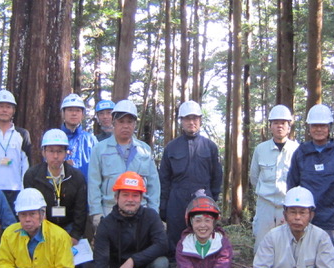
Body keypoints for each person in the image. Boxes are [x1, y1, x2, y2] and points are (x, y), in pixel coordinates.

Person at [89, 172, 169, 268]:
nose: (130, 200)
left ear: (141, 198)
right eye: (125, 195)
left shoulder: (151, 217)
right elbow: (100, 262)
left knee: (161, 263)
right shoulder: (106, 225)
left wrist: (132, 261)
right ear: (116, 197)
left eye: (135, 195)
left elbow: (162, 245)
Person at [253, 186, 334, 268]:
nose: (297, 217)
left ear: (311, 215)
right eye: (293, 212)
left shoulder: (321, 237)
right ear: (285, 214)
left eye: (302, 212)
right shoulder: (272, 237)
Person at [23, 129, 89, 268]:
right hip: (42, 227)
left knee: (73, 257)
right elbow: (29, 206)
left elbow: (81, 209)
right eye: (51, 151)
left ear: (66, 153)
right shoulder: (32, 175)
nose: (55, 156)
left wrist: (75, 235)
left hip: (68, 227)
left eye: (60, 151)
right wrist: (41, 231)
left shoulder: (77, 177)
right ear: (44, 152)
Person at [286, 104, 334, 259]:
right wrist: (291, 213)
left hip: (331, 218)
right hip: (304, 217)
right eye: (315, 126)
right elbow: (292, 184)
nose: (318, 129)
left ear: (329, 128)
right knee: (304, 258)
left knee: (328, 258)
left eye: (322, 126)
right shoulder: (301, 153)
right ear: (309, 128)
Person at [159, 100, 223, 254]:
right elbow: (164, 178)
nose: (191, 122)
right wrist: (164, 205)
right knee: (175, 240)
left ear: (200, 120)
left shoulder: (210, 146)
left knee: (202, 236)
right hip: (177, 199)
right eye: (187, 119)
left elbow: (217, 176)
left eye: (195, 118)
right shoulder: (171, 147)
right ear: (181, 121)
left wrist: (211, 199)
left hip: (203, 197)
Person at [88, 99, 160, 228]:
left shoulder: (144, 150)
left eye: (129, 122)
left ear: (134, 125)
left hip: (140, 211)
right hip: (109, 210)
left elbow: (153, 184)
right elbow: (94, 184)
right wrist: (96, 213)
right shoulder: (99, 149)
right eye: (121, 122)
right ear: (114, 123)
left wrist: (153, 212)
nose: (125, 126)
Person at [249, 104, 299, 252]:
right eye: (276, 123)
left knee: (288, 246)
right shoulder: (261, 149)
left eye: (283, 123)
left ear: (289, 127)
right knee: (262, 245)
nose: (279, 126)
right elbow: (254, 176)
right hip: (265, 205)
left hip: (288, 206)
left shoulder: (297, 150)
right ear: (270, 126)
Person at [60, 93, 97, 179]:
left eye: (77, 110)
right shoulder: (54, 138)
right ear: (63, 113)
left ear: (82, 114)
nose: (74, 113)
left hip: (86, 190)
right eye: (70, 110)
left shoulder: (91, 140)